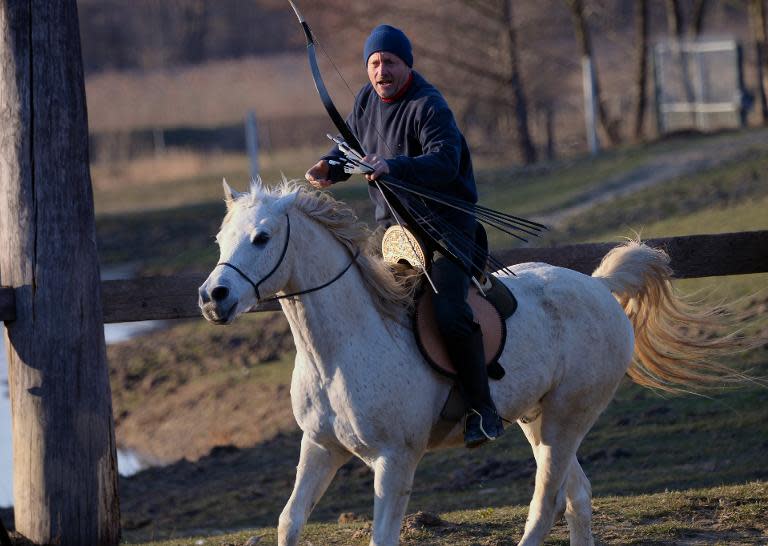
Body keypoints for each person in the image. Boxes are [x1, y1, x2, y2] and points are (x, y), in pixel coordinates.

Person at [305, 24, 503, 448]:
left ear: (406, 63)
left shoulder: (428, 106)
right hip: (393, 231)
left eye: (390, 62)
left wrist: (396, 166)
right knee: (361, 298)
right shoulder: (364, 100)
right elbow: (351, 150)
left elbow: (445, 161)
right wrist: (328, 167)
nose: (381, 71)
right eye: (374, 63)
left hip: (446, 229)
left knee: (449, 312)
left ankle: (483, 410)